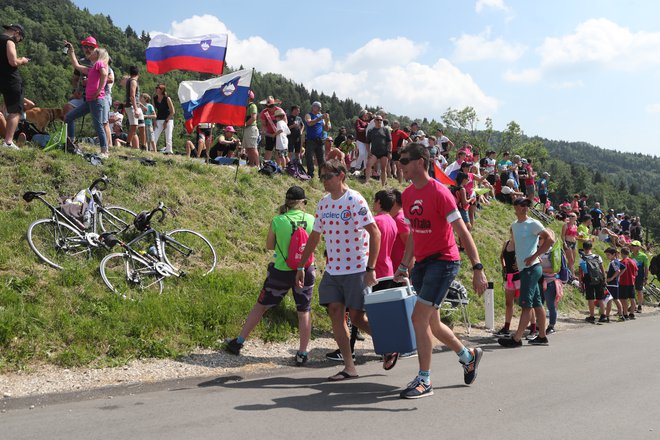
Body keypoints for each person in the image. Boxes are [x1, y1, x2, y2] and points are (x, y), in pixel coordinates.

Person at [393, 143, 487, 399]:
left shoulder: (441, 193)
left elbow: (462, 231)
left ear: (420, 163)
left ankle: (424, 380)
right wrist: (404, 265)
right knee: (432, 323)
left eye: (404, 160)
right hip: (422, 263)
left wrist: (477, 266)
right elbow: (413, 233)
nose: (400, 165)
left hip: (444, 261)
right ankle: (468, 356)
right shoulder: (408, 194)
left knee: (418, 318)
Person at [294, 159, 382, 381]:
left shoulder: (355, 199)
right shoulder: (323, 203)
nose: (323, 181)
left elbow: (375, 233)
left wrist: (370, 267)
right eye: (321, 176)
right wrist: (302, 265)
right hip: (334, 269)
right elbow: (315, 236)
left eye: (327, 176)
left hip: (356, 268)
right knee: (335, 312)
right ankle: (349, 366)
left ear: (341, 175)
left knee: (358, 317)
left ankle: (388, 343)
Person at [224, 186, 316, 366]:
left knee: (261, 305)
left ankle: (239, 342)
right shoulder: (312, 219)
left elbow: (269, 245)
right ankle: (302, 353)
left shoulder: (278, 220)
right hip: (305, 270)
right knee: (303, 311)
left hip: (281, 270)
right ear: (303, 202)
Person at [498, 198, 555, 348]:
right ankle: (542, 337)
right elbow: (519, 246)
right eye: (521, 205)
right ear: (515, 207)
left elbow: (549, 240)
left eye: (526, 206)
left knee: (526, 304)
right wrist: (519, 259)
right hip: (525, 268)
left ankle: (516, 339)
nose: (524, 208)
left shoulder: (533, 223)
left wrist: (534, 256)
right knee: (536, 303)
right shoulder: (515, 226)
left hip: (531, 268)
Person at [63, 42, 109, 158]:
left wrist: (99, 91)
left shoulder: (99, 64)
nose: (91, 52)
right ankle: (71, 143)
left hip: (96, 100)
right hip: (89, 101)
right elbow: (76, 65)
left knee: (98, 124)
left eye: (93, 51)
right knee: (69, 117)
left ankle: (105, 151)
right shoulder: (92, 69)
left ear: (97, 55)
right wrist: (71, 51)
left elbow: (104, 75)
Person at [0, 24, 28, 149]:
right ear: (16, 32)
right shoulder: (9, 41)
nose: (19, 42)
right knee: (15, 110)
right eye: (20, 39)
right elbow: (13, 61)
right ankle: (8, 142)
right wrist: (22, 60)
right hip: (10, 79)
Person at [494, 230, 520, 337]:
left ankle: (533, 327)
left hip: (519, 276)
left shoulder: (520, 244)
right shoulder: (507, 243)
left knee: (525, 303)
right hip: (509, 277)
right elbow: (502, 256)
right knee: (508, 303)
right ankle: (506, 327)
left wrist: (518, 265)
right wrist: (504, 267)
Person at [63, 36, 97, 116]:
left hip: (96, 97)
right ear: (83, 48)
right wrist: (75, 91)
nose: (88, 49)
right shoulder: (81, 62)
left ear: (95, 49)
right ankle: (68, 128)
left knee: (100, 122)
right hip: (82, 97)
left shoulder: (99, 61)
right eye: (85, 47)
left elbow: (108, 79)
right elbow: (75, 79)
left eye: (91, 47)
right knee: (67, 108)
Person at [578, 241, 607, 323]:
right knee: (600, 298)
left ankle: (592, 316)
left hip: (588, 279)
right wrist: (604, 278)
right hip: (599, 279)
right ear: (591, 247)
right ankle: (603, 316)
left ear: (583, 248)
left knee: (590, 298)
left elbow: (580, 272)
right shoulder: (598, 257)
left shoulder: (582, 259)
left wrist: (580, 282)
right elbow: (602, 269)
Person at [304, 101, 330, 179]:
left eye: (320, 108)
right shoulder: (308, 115)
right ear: (313, 107)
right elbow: (309, 123)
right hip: (310, 140)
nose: (319, 109)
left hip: (319, 140)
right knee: (309, 158)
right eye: (318, 107)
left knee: (322, 159)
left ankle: (322, 175)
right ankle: (310, 174)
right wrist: (320, 118)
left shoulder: (320, 116)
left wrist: (326, 120)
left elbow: (326, 129)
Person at [365, 115, 392, 186]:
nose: (379, 121)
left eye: (381, 120)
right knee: (368, 165)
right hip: (374, 152)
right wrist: (368, 152)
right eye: (377, 119)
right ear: (374, 121)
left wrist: (390, 152)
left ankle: (383, 185)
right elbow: (367, 143)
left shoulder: (386, 130)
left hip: (384, 152)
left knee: (383, 168)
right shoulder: (371, 131)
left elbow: (389, 142)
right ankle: (367, 182)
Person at [123, 65, 145, 150]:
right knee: (134, 126)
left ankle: (143, 145)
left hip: (136, 106)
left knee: (142, 126)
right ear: (138, 73)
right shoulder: (133, 81)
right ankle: (128, 144)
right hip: (132, 106)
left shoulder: (131, 80)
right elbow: (132, 96)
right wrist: (135, 109)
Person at [259, 96, 286, 162]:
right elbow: (263, 125)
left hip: (280, 134)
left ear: (274, 104)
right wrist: (264, 133)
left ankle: (281, 168)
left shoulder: (280, 111)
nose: (269, 108)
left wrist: (276, 133)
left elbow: (284, 124)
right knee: (268, 150)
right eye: (267, 106)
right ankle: (266, 165)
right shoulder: (264, 112)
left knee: (279, 153)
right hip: (270, 134)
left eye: (271, 106)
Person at [604, 247, 626, 321]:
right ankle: (620, 315)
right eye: (606, 255)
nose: (607, 256)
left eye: (608, 255)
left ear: (613, 254)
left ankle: (607, 316)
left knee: (609, 300)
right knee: (616, 299)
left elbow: (618, 270)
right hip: (614, 284)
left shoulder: (613, 262)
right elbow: (624, 268)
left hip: (611, 284)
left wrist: (612, 278)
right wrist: (617, 276)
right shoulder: (616, 261)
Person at [152, 83, 175, 154]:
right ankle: (152, 149)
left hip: (168, 119)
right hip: (159, 118)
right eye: (156, 88)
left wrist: (166, 121)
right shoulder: (154, 98)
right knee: (154, 135)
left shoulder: (167, 98)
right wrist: (154, 121)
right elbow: (154, 111)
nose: (156, 89)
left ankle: (169, 151)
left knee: (168, 136)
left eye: (158, 88)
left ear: (162, 90)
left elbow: (172, 112)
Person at [630, 240, 650, 314]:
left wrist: (646, 277)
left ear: (638, 247)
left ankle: (639, 306)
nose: (632, 247)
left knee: (639, 290)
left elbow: (646, 268)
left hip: (640, 276)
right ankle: (633, 305)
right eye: (632, 245)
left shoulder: (643, 256)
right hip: (631, 276)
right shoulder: (630, 255)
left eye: (634, 246)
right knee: (632, 290)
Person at [618, 247, 638, 320]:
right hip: (632, 282)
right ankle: (632, 313)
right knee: (632, 298)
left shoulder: (622, 262)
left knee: (623, 299)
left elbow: (618, 272)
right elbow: (636, 273)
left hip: (623, 282)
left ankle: (625, 314)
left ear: (622, 253)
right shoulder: (633, 262)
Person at [243, 90, 259, 166]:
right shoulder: (246, 107)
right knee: (248, 148)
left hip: (251, 128)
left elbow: (253, 118)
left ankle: (258, 166)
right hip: (247, 128)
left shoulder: (253, 106)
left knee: (253, 148)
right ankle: (251, 165)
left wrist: (245, 124)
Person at [561, 213, 579, 278]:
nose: (571, 217)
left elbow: (575, 236)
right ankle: (573, 275)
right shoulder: (566, 225)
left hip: (574, 243)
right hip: (567, 242)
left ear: (576, 217)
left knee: (573, 260)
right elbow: (562, 235)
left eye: (572, 216)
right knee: (570, 259)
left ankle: (567, 272)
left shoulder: (575, 226)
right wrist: (564, 242)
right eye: (570, 216)